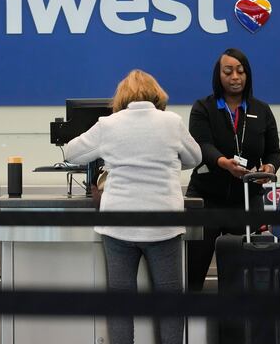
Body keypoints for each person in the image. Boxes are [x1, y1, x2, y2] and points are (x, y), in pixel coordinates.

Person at [64, 69, 202, 344]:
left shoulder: (109, 124)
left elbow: (70, 152)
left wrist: (107, 152)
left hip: (118, 225)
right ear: (156, 95)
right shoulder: (172, 122)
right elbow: (195, 158)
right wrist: (170, 163)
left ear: (122, 96)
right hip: (163, 224)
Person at [185, 48, 280, 291]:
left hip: (247, 201)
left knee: (245, 276)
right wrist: (224, 163)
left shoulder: (262, 110)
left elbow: (273, 151)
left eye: (240, 71)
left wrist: (269, 167)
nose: (235, 76)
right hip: (207, 199)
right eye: (228, 71)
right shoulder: (203, 108)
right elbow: (201, 146)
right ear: (218, 75)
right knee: (193, 272)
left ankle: (240, 325)